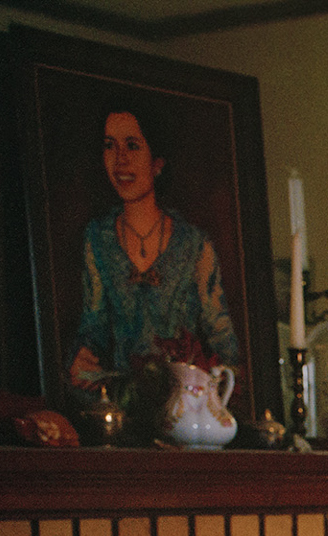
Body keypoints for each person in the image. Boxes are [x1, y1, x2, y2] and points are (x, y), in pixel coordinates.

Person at [68, 99, 239, 388]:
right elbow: (93, 325)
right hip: (121, 403)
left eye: (132, 145)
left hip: (182, 407)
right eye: (110, 145)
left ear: (157, 162)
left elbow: (222, 336)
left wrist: (225, 383)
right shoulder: (98, 237)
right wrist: (82, 357)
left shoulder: (195, 245)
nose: (119, 159)